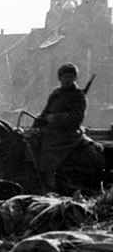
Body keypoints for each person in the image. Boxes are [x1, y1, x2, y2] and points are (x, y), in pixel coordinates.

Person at [34, 63, 86, 191]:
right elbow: (46, 112)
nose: (67, 79)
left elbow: (77, 117)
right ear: (60, 78)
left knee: (49, 144)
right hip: (53, 129)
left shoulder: (78, 95)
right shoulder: (56, 94)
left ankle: (50, 181)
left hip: (68, 133)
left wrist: (55, 118)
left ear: (74, 78)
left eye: (71, 76)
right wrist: (38, 121)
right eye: (65, 76)